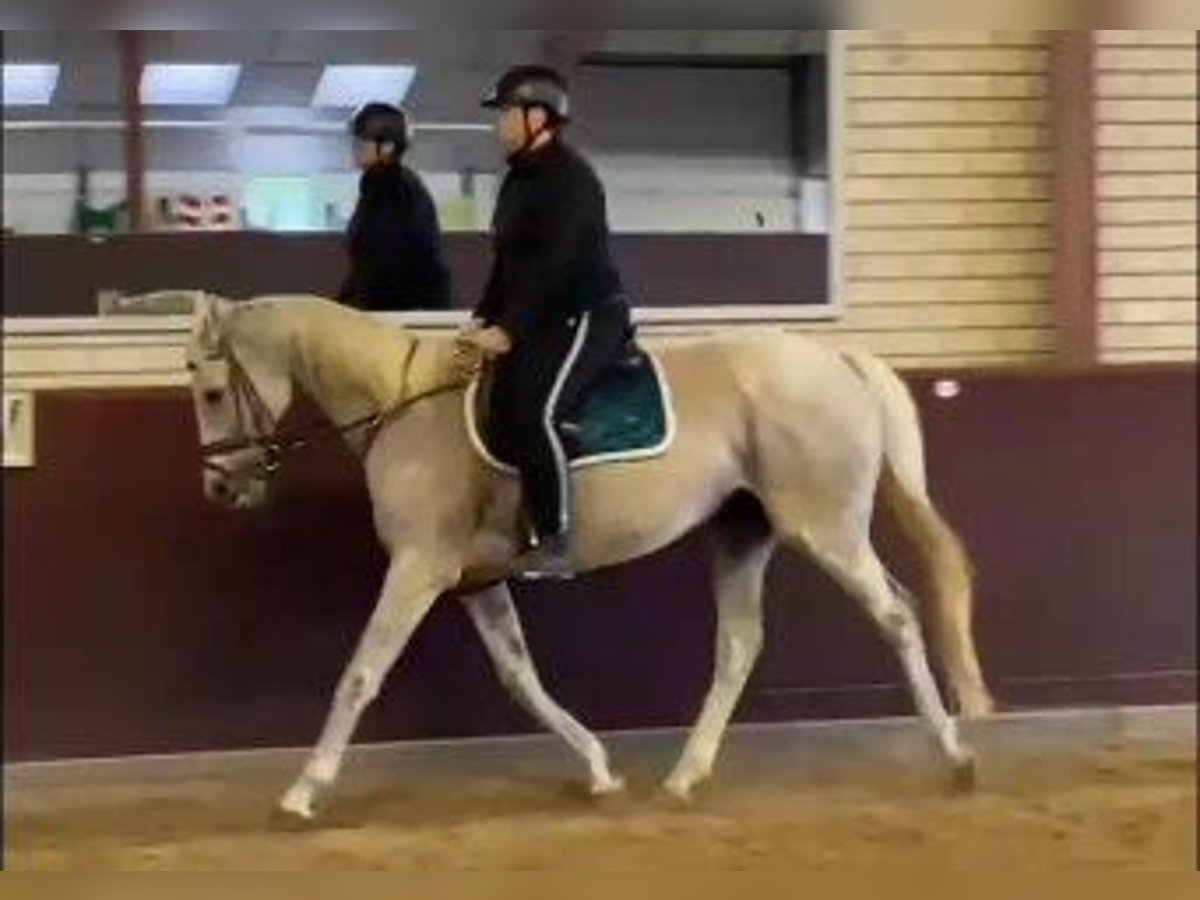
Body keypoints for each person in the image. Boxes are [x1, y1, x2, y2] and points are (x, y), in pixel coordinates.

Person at [456, 64, 636, 580]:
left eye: (506, 114)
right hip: (542, 319)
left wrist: (507, 332)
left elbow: (551, 268)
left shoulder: (571, 181)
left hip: (586, 315)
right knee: (502, 406)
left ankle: (557, 540)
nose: (500, 125)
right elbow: (508, 264)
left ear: (540, 117)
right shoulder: (516, 181)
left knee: (536, 411)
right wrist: (480, 321)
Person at [338, 102, 452, 311]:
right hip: (386, 309)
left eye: (362, 141)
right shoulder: (375, 186)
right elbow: (365, 264)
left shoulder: (396, 190)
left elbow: (387, 263)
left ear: (388, 146)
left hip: (403, 312)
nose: (354, 147)